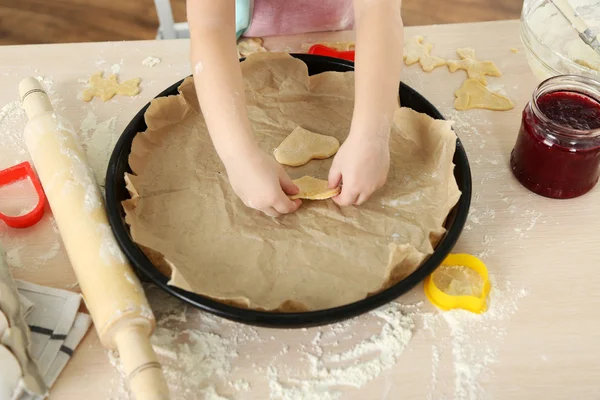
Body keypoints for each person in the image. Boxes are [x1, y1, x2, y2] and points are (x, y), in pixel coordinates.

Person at [187, 0, 404, 217]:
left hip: (346, 37)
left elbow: (377, 9)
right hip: (249, 46)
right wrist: (237, 155)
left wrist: (371, 136)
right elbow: (211, 25)